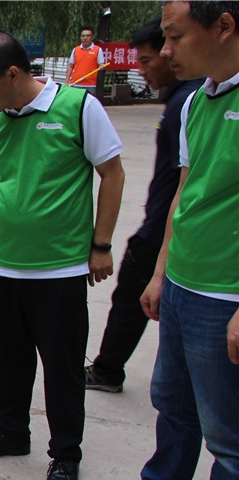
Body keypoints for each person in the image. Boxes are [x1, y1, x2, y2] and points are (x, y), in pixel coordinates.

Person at [92, 0, 239, 480]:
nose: (166, 49)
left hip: (224, 296)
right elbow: (183, 193)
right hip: (182, 282)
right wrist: (159, 274)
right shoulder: (198, 101)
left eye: (176, 36)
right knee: (170, 399)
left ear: (223, 26)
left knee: (227, 431)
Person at [0, 32, 125, 480]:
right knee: (9, 361)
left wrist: (102, 243)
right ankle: (11, 433)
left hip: (60, 270)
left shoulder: (77, 107)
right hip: (5, 268)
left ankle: (65, 455)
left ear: (12, 74)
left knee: (63, 368)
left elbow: (111, 173)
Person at [85, 19, 203, 393]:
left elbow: (185, 184)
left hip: (168, 229)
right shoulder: (180, 101)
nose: (146, 66)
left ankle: (107, 371)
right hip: (165, 223)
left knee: (134, 297)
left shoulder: (190, 103)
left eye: (149, 59)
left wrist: (155, 236)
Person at [65, 26, 107, 96]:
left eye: (88, 36)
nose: (85, 38)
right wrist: (66, 81)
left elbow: (101, 64)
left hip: (90, 85)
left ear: (92, 37)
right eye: (83, 36)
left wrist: (102, 66)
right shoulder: (76, 49)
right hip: (76, 83)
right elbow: (70, 66)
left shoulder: (97, 50)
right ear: (80, 37)